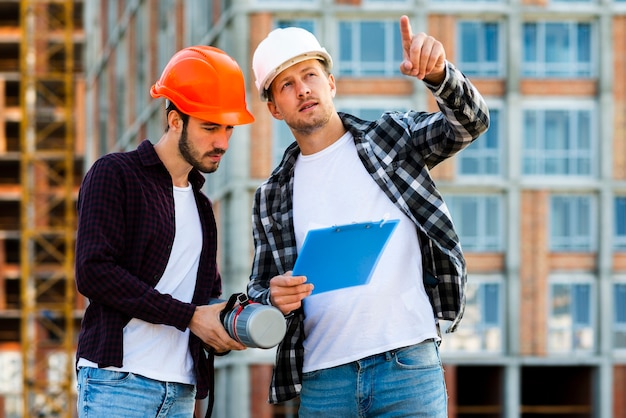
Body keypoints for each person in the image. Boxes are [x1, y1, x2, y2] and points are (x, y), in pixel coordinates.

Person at [247, 15, 490, 417]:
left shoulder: (390, 139)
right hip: (324, 382)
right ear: (274, 107)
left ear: (331, 84)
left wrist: (440, 77)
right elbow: (258, 289)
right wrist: (272, 297)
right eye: (286, 85)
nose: (303, 89)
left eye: (310, 74)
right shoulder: (271, 196)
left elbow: (470, 124)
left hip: (407, 367)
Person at [74, 46, 254, 418]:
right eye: (209, 127)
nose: (222, 142)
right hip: (119, 382)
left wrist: (227, 326)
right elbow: (93, 272)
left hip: (182, 391)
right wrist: (189, 316)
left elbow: (205, 300)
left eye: (228, 128)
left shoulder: (203, 207)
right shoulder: (116, 174)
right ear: (175, 120)